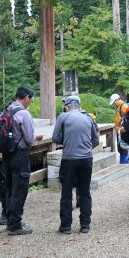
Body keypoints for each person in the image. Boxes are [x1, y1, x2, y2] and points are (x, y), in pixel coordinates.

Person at [52, 95, 100, 233]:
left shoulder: (63, 116)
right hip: (86, 159)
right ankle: (85, 225)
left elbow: (55, 137)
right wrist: (84, 147)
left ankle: (66, 226)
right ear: (79, 105)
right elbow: (95, 141)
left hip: (69, 158)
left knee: (66, 192)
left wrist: (67, 141)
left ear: (67, 106)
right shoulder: (88, 117)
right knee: (85, 192)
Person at [3, 86, 43, 236]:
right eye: (30, 99)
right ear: (26, 97)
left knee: (10, 188)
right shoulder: (23, 114)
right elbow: (30, 139)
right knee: (20, 189)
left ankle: (10, 218)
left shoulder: (6, 111)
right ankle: (15, 225)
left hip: (6, 154)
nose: (30, 102)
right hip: (19, 154)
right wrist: (35, 138)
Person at [109, 93, 129, 163]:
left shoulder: (124, 106)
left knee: (123, 149)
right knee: (121, 149)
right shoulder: (118, 107)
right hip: (119, 131)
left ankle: (124, 163)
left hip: (123, 132)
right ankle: (122, 162)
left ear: (117, 100)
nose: (114, 104)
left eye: (114, 102)